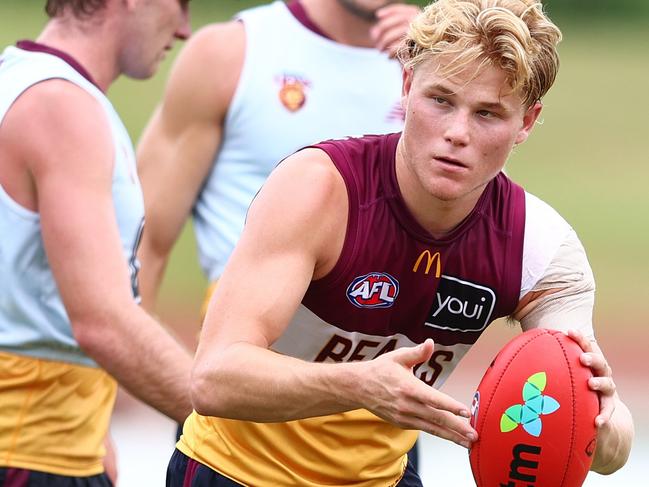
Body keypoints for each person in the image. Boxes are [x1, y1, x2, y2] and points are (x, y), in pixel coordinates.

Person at [166, 0, 635, 485]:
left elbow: (613, 448)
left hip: (382, 478)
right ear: (407, 86)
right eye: (441, 101)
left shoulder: (540, 249)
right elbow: (214, 377)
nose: (457, 133)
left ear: (527, 123)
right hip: (235, 471)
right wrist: (359, 385)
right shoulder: (319, 190)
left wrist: (595, 420)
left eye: (488, 114)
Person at [135, 0, 423, 467]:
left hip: (382, 404)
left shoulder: (434, 63)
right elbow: (141, 243)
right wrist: (105, 413)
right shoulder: (234, 53)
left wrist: (439, 64)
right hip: (245, 393)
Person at [0, 1, 193, 485]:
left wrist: (94, 428)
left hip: (57, 446)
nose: (186, 28)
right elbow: (104, 322)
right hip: (30, 456)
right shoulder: (61, 105)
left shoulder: (26, 79)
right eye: (182, 4)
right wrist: (241, 423)